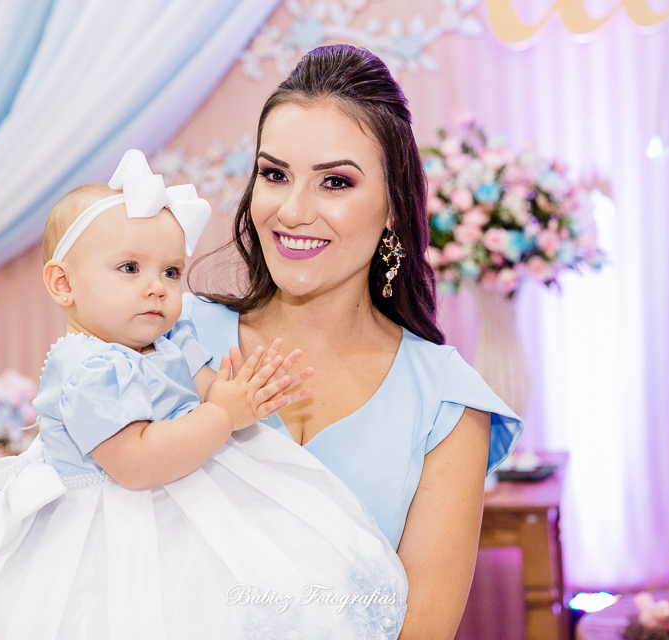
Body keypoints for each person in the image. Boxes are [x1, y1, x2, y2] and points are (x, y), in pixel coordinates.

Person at [0, 150, 407, 640]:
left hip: (193, 503)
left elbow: (206, 394)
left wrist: (244, 393)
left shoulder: (172, 340)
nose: (157, 286)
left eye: (171, 272)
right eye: (130, 269)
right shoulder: (87, 368)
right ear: (63, 283)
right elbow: (138, 462)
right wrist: (224, 412)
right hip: (103, 529)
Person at [185, 45, 523, 639]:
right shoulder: (172, 340)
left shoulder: (446, 406)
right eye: (274, 174)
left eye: (334, 182)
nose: (292, 210)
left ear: (394, 205)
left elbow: (420, 630)